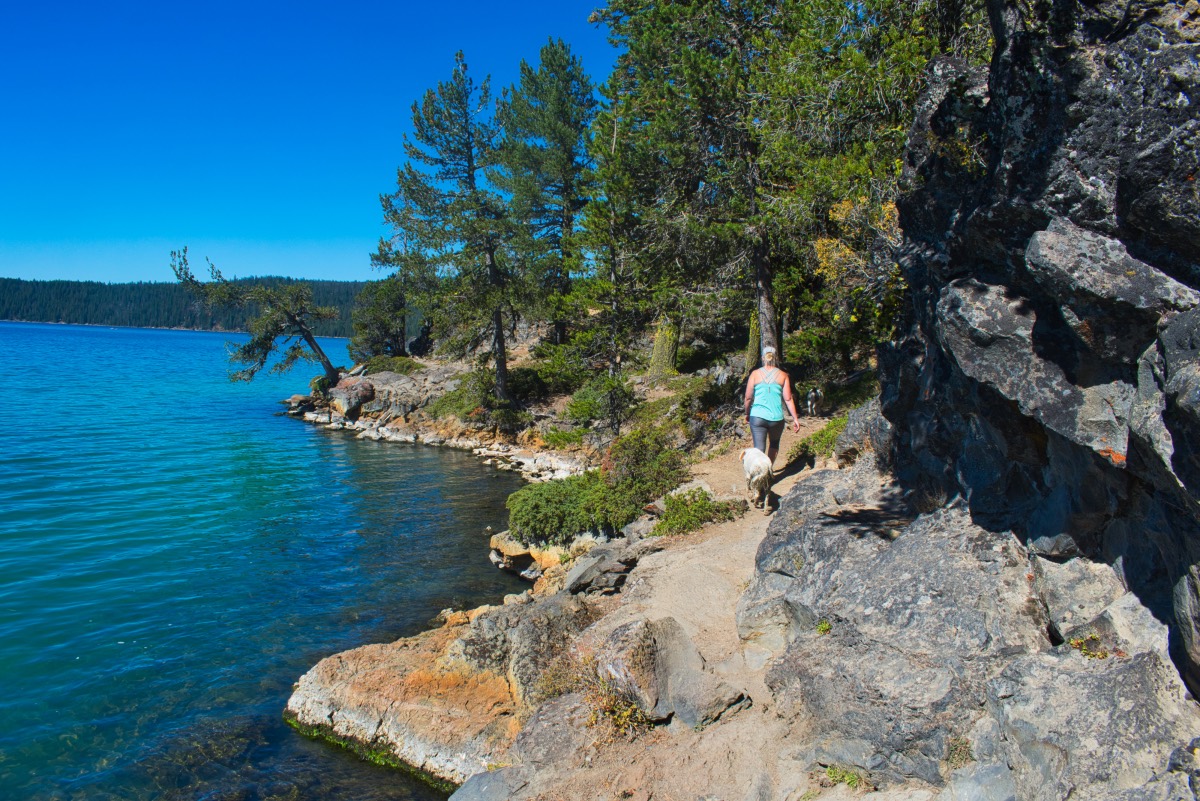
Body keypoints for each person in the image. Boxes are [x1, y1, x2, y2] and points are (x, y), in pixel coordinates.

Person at [744, 346, 801, 465]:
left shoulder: (755, 374)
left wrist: (747, 413)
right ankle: (769, 469)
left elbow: (748, 398)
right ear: (776, 358)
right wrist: (795, 418)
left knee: (759, 448)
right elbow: (788, 399)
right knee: (774, 444)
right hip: (777, 418)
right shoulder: (783, 375)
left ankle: (760, 473)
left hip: (758, 416)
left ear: (762, 358)